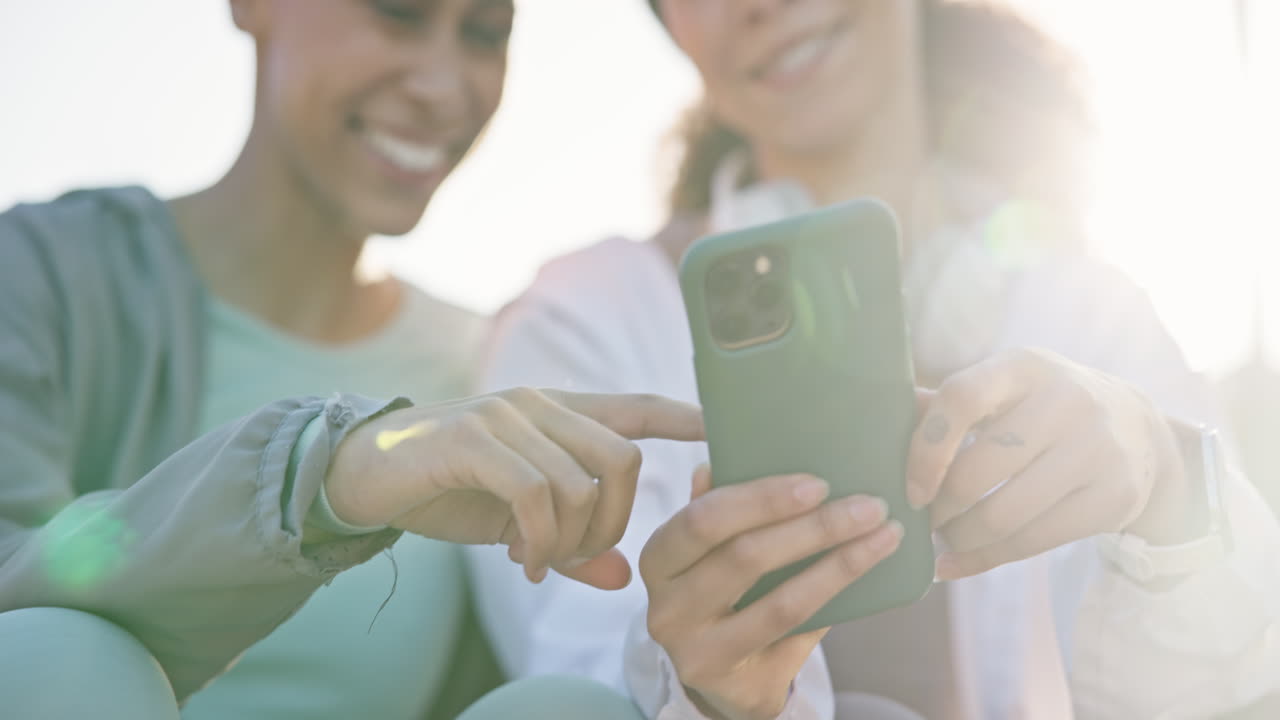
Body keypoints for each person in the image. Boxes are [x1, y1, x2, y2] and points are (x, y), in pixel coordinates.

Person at [469, 0, 1280, 718]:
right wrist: (709, 698)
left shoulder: (1090, 307)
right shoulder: (583, 320)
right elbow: (577, 685)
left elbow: (1237, 685)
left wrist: (1169, 496)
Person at [0, 1, 707, 719]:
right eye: (398, 14)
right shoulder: (36, 276)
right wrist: (334, 476)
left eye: (483, 35)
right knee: (59, 653)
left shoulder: (482, 370)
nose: (441, 86)